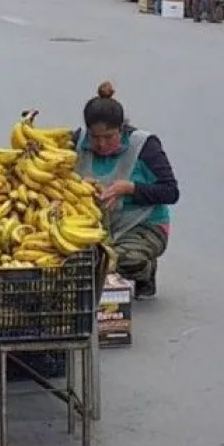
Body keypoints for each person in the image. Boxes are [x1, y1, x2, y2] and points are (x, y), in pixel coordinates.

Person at [75, 82, 179, 298]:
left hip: (143, 225)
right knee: (77, 263)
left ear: (121, 129)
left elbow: (170, 191)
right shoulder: (75, 144)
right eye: (95, 137)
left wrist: (131, 188)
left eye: (109, 136)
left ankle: (144, 272)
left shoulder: (144, 146)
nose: (101, 144)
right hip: (95, 227)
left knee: (114, 261)